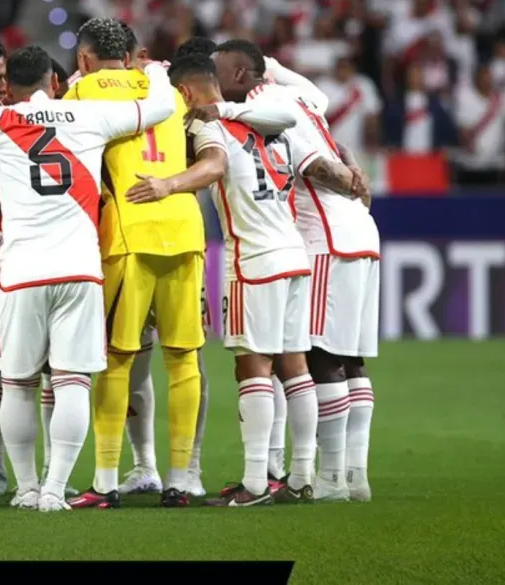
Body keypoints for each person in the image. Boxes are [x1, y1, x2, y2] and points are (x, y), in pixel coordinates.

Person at [0, 44, 178, 512]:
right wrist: (156, 71)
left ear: (9, 87)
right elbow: (162, 107)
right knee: (71, 381)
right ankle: (55, 489)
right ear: (55, 82)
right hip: (78, 269)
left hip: (23, 272)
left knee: (18, 383)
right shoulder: (90, 115)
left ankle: (26, 487)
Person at [197, 40, 370, 504]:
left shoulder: (221, 124)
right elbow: (305, 119)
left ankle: (258, 481)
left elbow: (210, 166)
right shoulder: (282, 120)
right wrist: (353, 172)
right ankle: (304, 475)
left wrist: (169, 183)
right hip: (294, 253)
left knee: (254, 365)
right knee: (298, 366)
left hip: (257, 256)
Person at [63, 17, 206, 508]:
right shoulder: (170, 92)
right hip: (185, 229)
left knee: (117, 357)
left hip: (128, 233)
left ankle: (105, 481)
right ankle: (180, 479)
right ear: (128, 54)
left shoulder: (81, 93)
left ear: (84, 59)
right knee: (183, 360)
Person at [116, 30, 216, 499]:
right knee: (133, 358)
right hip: (130, 240)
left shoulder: (186, 105)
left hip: (176, 238)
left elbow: (213, 161)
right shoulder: (111, 99)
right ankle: (145, 466)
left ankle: (188, 468)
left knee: (185, 356)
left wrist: (170, 184)